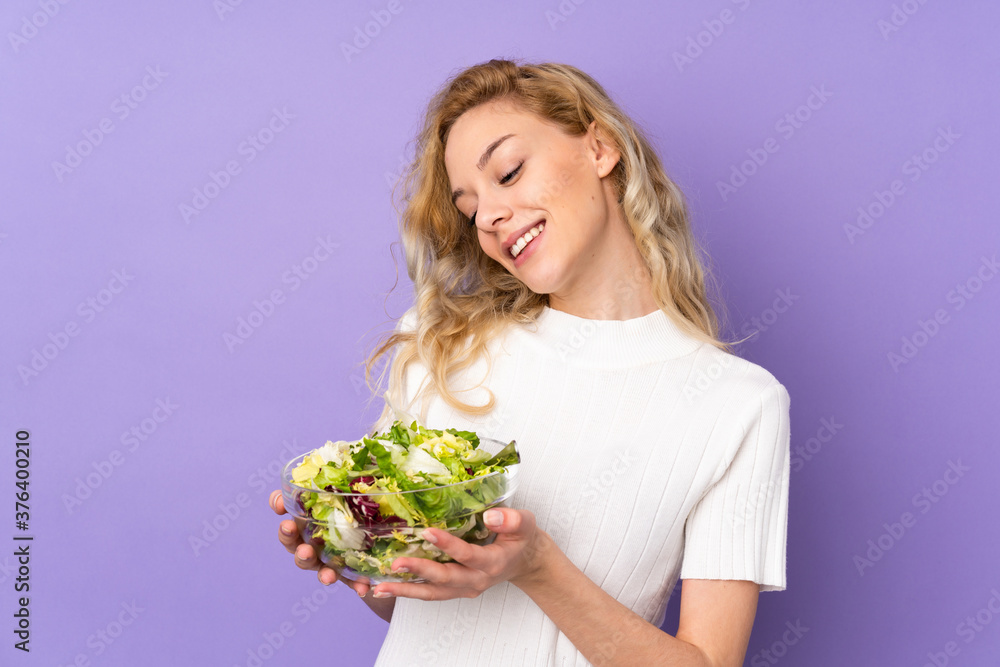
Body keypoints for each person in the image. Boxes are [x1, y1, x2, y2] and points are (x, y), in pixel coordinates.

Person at [269, 58, 791, 666]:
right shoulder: (444, 346)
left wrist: (537, 566)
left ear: (599, 148)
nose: (488, 216)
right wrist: (357, 550)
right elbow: (418, 612)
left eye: (509, 172)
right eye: (470, 208)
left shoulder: (738, 405)